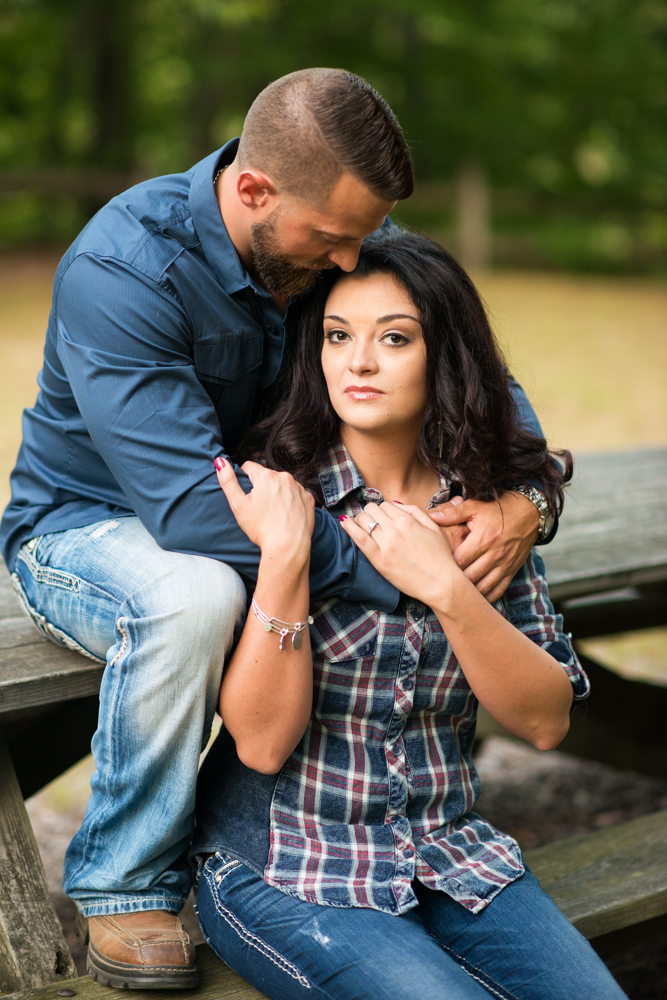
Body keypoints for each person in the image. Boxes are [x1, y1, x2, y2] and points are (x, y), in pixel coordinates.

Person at [2, 71, 554, 989]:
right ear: (254, 190)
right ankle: (125, 883)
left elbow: (463, 362)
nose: (348, 262)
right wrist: (407, 564)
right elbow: (187, 512)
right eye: (333, 240)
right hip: (91, 527)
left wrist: (528, 501)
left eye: (362, 237)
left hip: (288, 516)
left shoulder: (331, 227)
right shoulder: (124, 268)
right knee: (195, 595)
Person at [192, 230, 626, 1000]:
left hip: (448, 854)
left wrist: (448, 591)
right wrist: (289, 561)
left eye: (393, 338)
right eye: (336, 336)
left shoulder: (484, 513)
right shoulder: (280, 494)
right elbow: (258, 746)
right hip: (286, 866)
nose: (357, 362)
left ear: (444, 356)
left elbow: (544, 722)